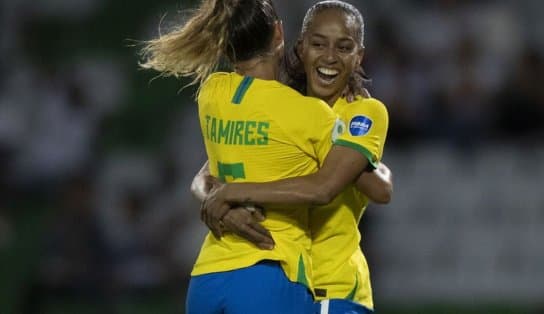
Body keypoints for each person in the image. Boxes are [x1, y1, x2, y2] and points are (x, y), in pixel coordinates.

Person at [140, 0, 357, 313]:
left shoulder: (212, 93)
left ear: (225, 46)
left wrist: (225, 208)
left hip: (208, 276)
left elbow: (205, 175)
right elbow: (329, 186)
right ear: (279, 34)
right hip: (270, 267)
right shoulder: (308, 114)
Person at [199, 1, 390, 313]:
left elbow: (380, 188)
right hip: (285, 280)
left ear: (358, 58)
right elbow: (206, 174)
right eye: (318, 44)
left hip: (335, 287)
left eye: (344, 47)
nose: (329, 57)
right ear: (300, 48)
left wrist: (232, 193)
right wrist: (222, 207)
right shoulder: (286, 109)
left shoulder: (362, 112)